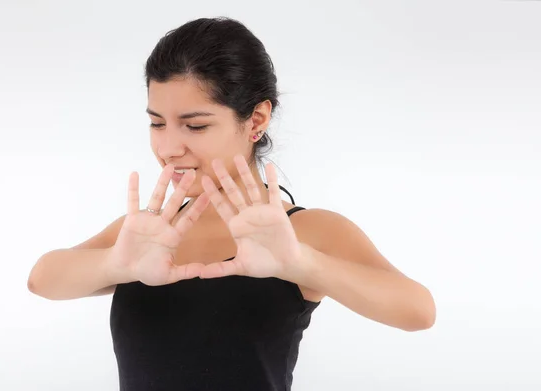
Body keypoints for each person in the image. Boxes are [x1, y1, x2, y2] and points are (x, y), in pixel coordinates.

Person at [27, 16, 436, 391]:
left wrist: (301, 263)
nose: (168, 147)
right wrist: (115, 264)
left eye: (196, 125)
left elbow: (418, 311)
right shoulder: (148, 233)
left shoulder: (308, 232)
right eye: (156, 123)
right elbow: (42, 280)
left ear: (256, 121)